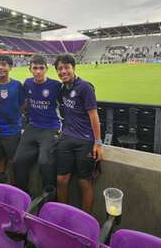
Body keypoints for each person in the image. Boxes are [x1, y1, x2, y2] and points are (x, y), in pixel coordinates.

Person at [54, 54, 104, 213]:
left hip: (85, 140)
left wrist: (98, 143)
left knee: (84, 182)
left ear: (73, 68)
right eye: (60, 68)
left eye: (66, 67)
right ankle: (64, 214)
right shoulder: (62, 89)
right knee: (61, 179)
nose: (63, 71)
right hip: (66, 138)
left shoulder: (85, 87)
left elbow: (94, 116)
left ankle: (84, 220)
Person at [14, 55, 61, 193]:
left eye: (41, 68)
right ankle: (24, 196)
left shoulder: (56, 86)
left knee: (45, 163)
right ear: (30, 69)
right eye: (35, 68)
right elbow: (22, 104)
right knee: (18, 161)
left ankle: (48, 200)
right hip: (32, 127)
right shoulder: (27, 83)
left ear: (46, 69)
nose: (38, 71)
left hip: (50, 128)